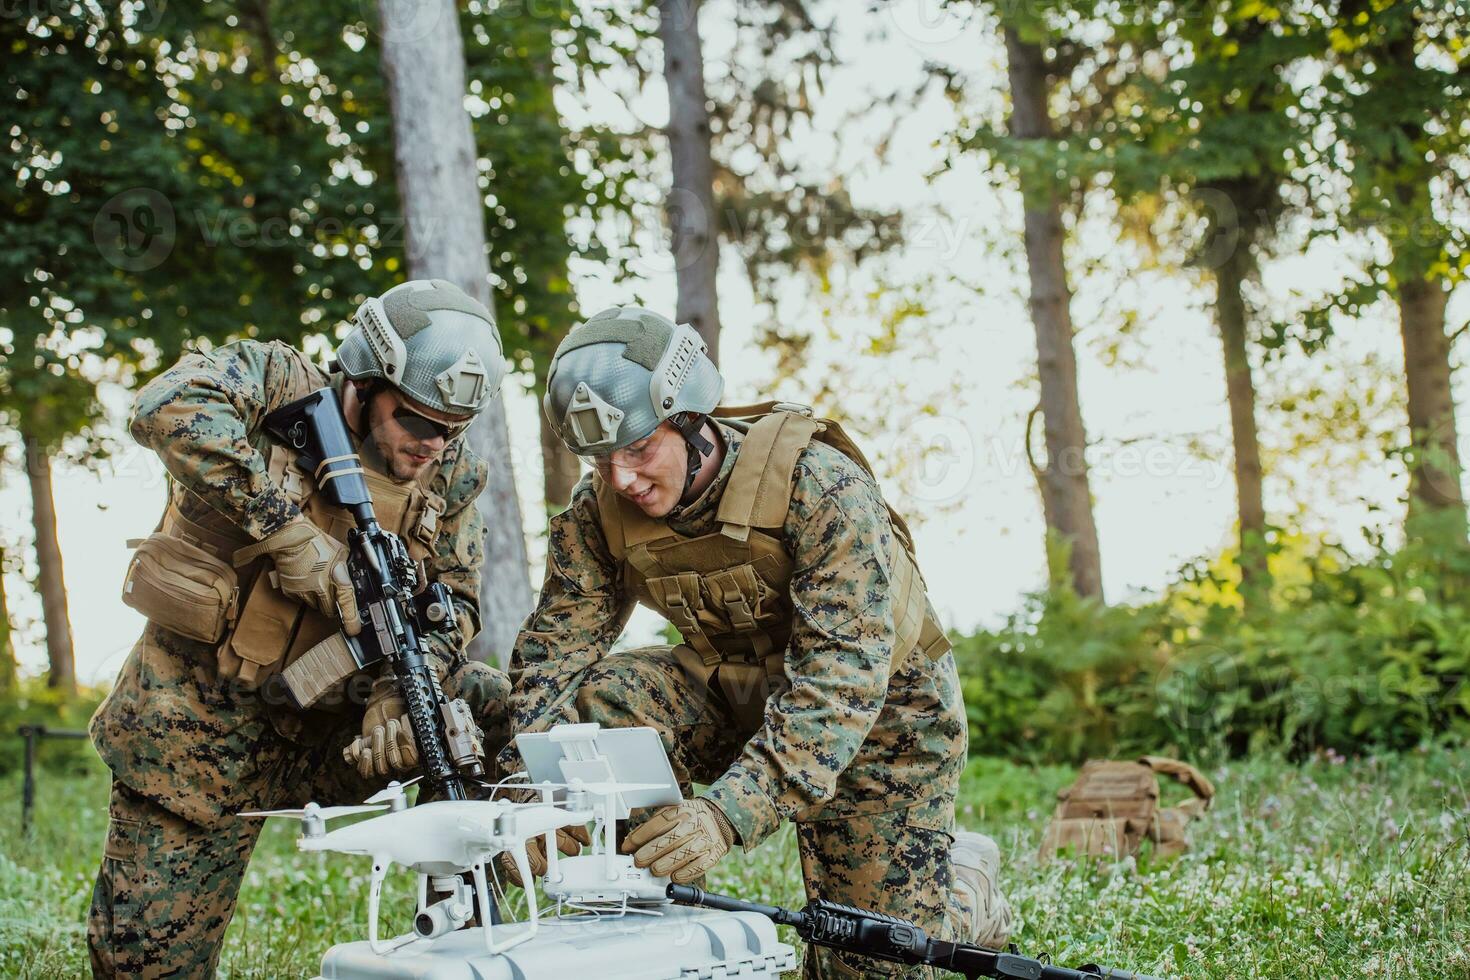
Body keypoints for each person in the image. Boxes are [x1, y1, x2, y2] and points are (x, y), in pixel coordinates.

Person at [503, 306, 1013, 978]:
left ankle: (964, 889)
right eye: (601, 459)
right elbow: (552, 660)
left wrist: (725, 816)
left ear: (690, 420)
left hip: (885, 717)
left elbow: (840, 685)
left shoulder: (820, 485)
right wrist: (527, 789)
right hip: (740, 691)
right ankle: (637, 916)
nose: (621, 478)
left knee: (866, 964)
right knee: (608, 702)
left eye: (638, 448)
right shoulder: (595, 515)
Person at [88, 279, 512, 978]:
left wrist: (395, 697)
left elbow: (457, 604)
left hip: (338, 733)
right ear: (367, 379)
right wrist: (289, 538)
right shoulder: (276, 382)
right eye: (418, 420)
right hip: (194, 736)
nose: (435, 444)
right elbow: (165, 406)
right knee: (143, 967)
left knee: (483, 700)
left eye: (453, 430)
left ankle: (472, 933)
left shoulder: (452, 476)